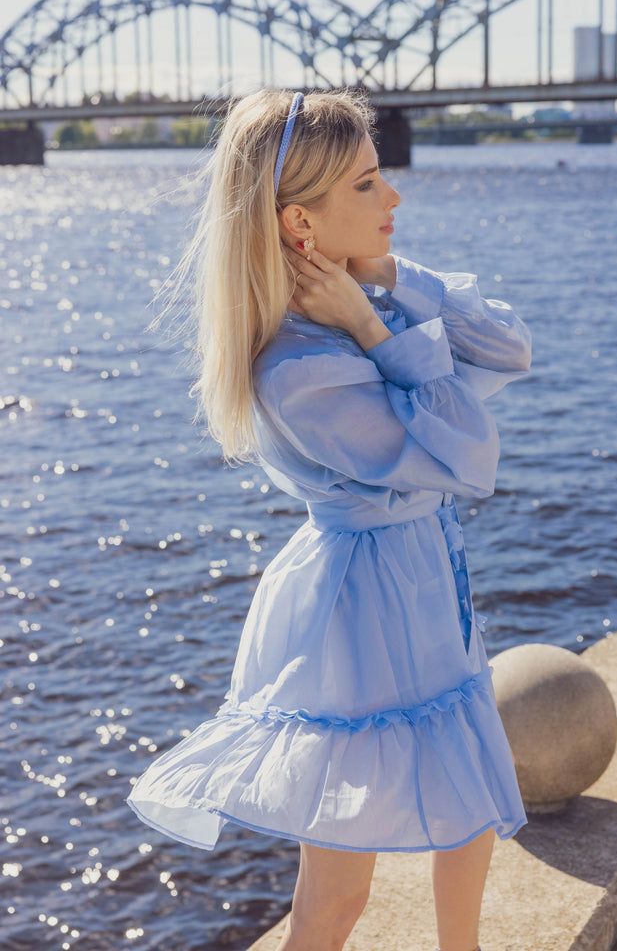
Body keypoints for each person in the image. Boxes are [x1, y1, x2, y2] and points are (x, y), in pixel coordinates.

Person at [127, 88, 531, 951]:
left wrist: (385, 282)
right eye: (365, 186)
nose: (394, 200)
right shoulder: (299, 370)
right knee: (338, 895)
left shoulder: (368, 305)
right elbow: (467, 457)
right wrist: (384, 341)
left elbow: (508, 349)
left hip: (428, 584)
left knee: (465, 814)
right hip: (360, 616)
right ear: (297, 224)